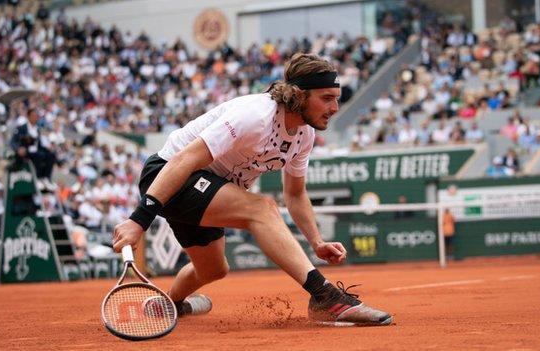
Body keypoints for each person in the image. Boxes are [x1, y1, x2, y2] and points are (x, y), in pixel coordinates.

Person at [113, 53, 392, 326]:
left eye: (336, 98)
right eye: (327, 98)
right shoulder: (255, 115)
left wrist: (316, 242)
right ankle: (325, 297)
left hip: (209, 190)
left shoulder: (304, 137)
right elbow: (184, 159)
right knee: (261, 208)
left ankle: (169, 303)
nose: (334, 107)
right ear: (298, 94)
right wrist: (139, 220)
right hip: (168, 175)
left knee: (214, 269)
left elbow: (294, 194)